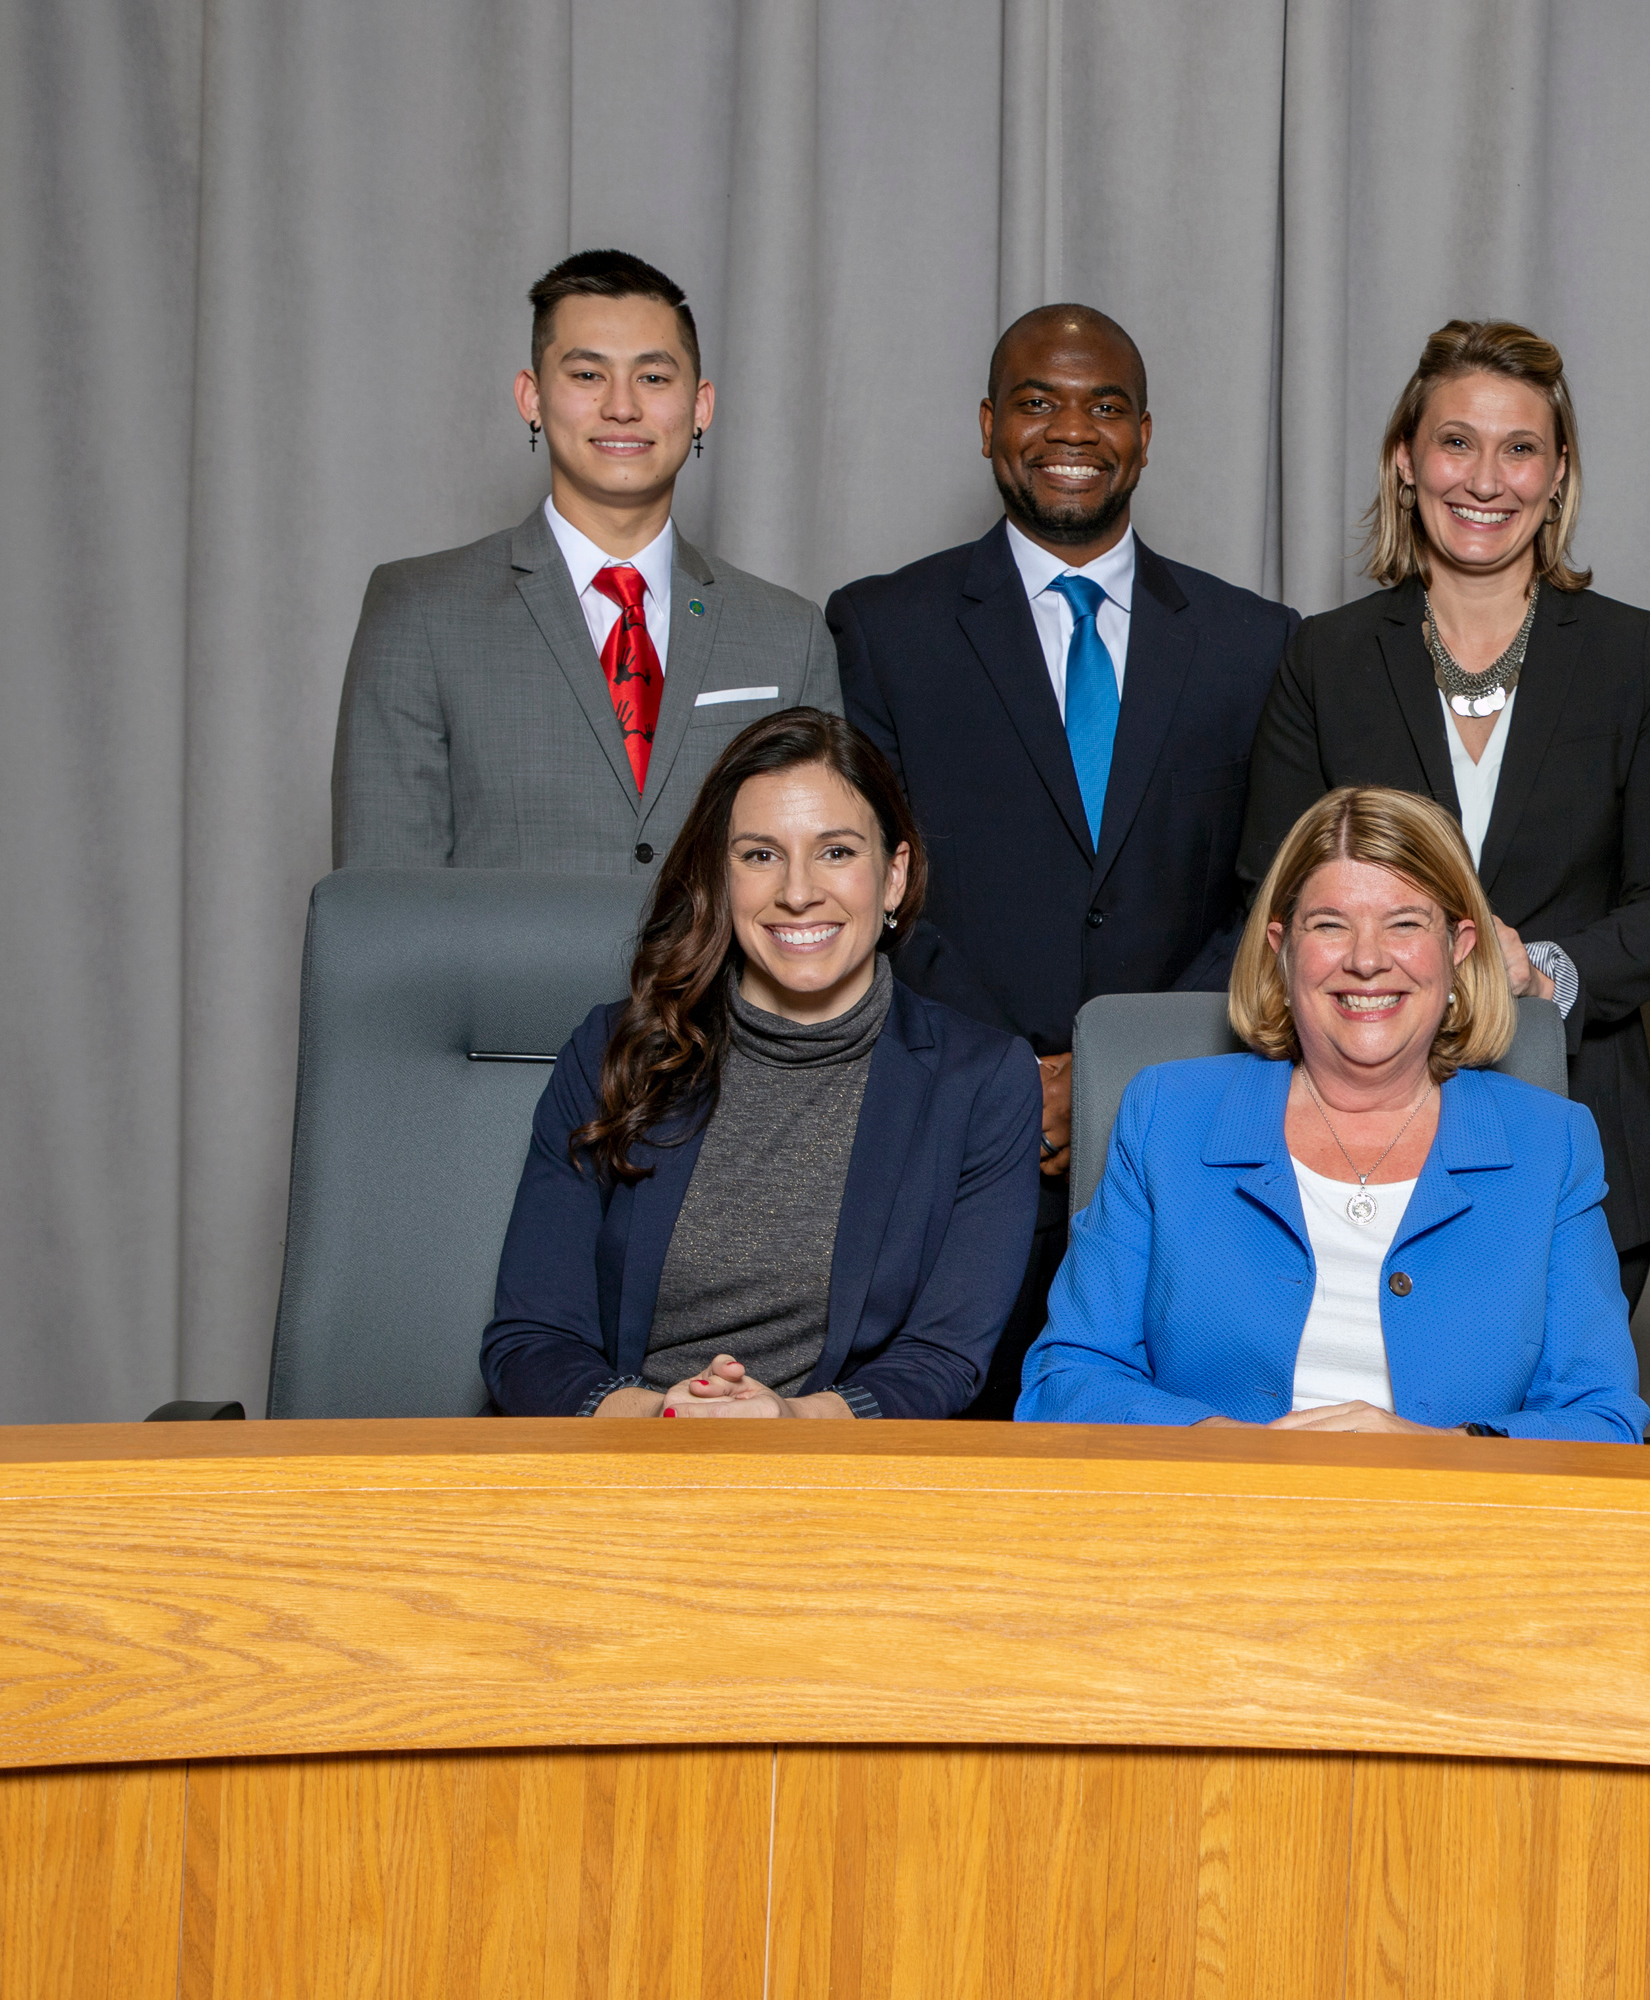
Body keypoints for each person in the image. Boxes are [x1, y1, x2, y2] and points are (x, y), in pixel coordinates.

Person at [829, 304, 1300, 1410]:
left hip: (1182, 1129)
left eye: (1105, 404)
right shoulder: (883, 627)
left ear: (1145, 434)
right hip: (953, 1139)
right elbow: (868, 886)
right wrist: (1012, 1077)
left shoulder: (1256, 641)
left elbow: (1270, 895)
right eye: (1038, 401)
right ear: (990, 426)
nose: (1070, 428)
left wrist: (1121, 1065)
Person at [1239, 320, 1650, 1309]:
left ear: (1558, 471)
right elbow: (1268, 890)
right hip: (1349, 1135)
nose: (1485, 479)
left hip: (1576, 1118)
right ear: (1406, 460)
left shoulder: (1635, 655)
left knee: (1550, 1452)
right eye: (1457, 441)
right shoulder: (1322, 659)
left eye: (1519, 447)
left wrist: (1544, 971)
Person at [1017, 786, 1648, 1441]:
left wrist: (1436, 1456)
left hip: (1454, 1529)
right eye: (1329, 924)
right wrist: (1241, 1452)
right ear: (1283, 948)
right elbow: (1067, 1378)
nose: (1367, 959)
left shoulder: (1552, 1144)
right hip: (1213, 1521)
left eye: (1405, 923)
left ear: (1459, 947)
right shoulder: (1165, 1116)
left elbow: (1601, 1418)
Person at [481, 708, 1041, 1420]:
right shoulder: (609, 1050)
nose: (798, 891)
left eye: (837, 852)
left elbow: (944, 1358)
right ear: (721, 878)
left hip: (835, 1481)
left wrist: (791, 1423)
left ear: (894, 876)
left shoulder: (983, 1082)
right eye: (760, 855)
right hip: (616, 1460)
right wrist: (658, 1418)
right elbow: (531, 1340)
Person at [335, 250, 843, 872]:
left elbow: (821, 877)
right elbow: (386, 903)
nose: (622, 406)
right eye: (586, 375)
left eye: (653, 377)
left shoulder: (787, 634)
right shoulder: (420, 612)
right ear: (532, 396)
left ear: (701, 405)